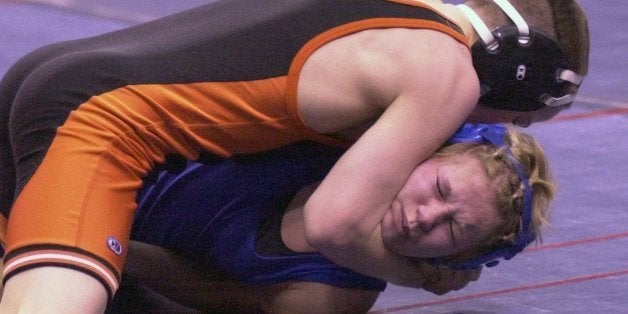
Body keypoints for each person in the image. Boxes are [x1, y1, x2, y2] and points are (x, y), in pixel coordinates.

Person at [0, 0, 587, 312]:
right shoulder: (447, 74)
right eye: (517, 116)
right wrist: (424, 274)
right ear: (518, 72)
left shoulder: (398, 14)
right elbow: (335, 223)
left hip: (57, 70)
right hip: (102, 121)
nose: (482, 125)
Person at [106, 122, 555, 313]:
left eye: (453, 229)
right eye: (439, 189)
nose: (425, 218)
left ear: (460, 259)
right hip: (107, 153)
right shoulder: (345, 129)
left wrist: (108, 244)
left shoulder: (337, 294)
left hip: (105, 249)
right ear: (428, 150)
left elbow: (202, 292)